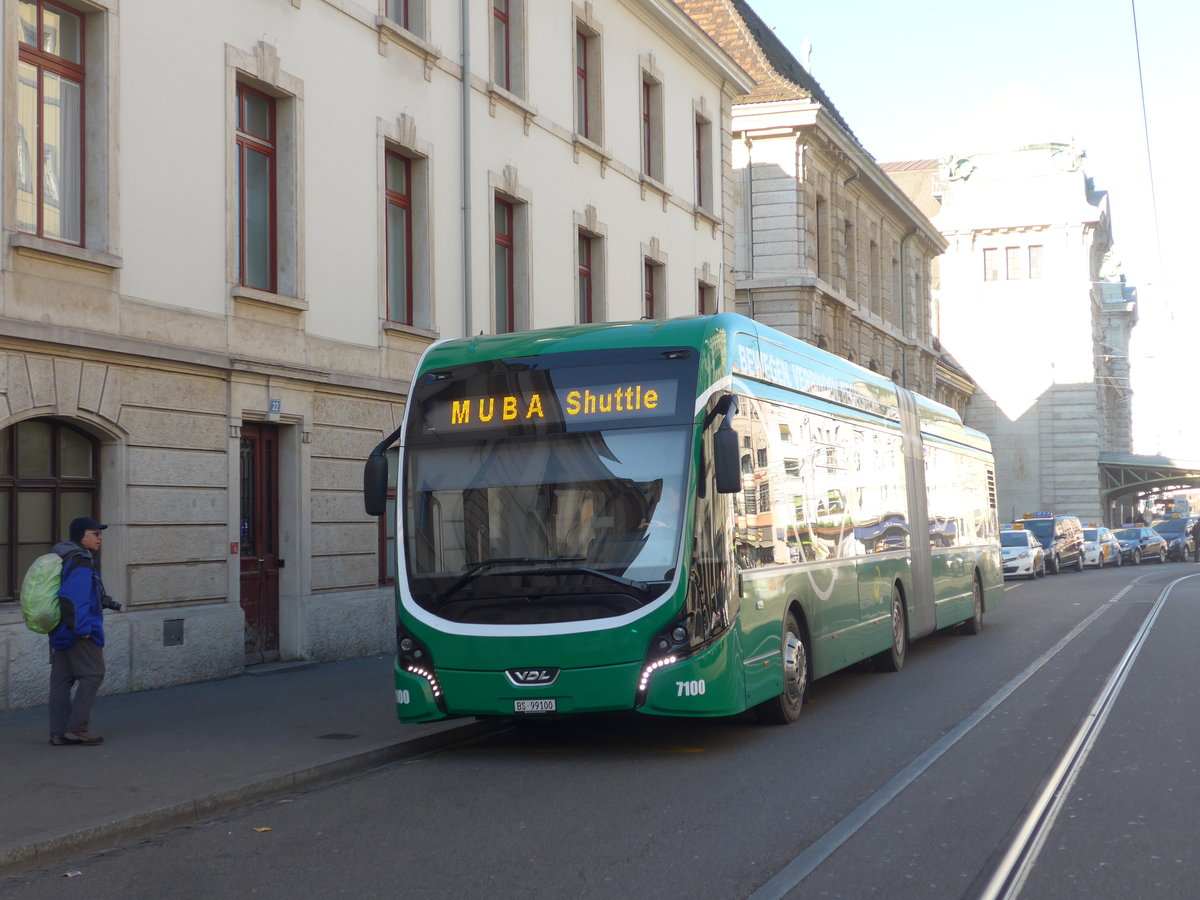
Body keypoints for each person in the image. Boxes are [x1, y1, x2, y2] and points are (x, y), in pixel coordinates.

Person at [48, 516, 117, 746]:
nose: (100, 538)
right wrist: (82, 629)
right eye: (95, 534)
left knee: (61, 679)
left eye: (100, 534)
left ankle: (58, 732)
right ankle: (76, 728)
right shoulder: (80, 559)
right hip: (78, 630)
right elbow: (73, 597)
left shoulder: (66, 556)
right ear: (81, 536)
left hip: (59, 629)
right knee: (93, 673)